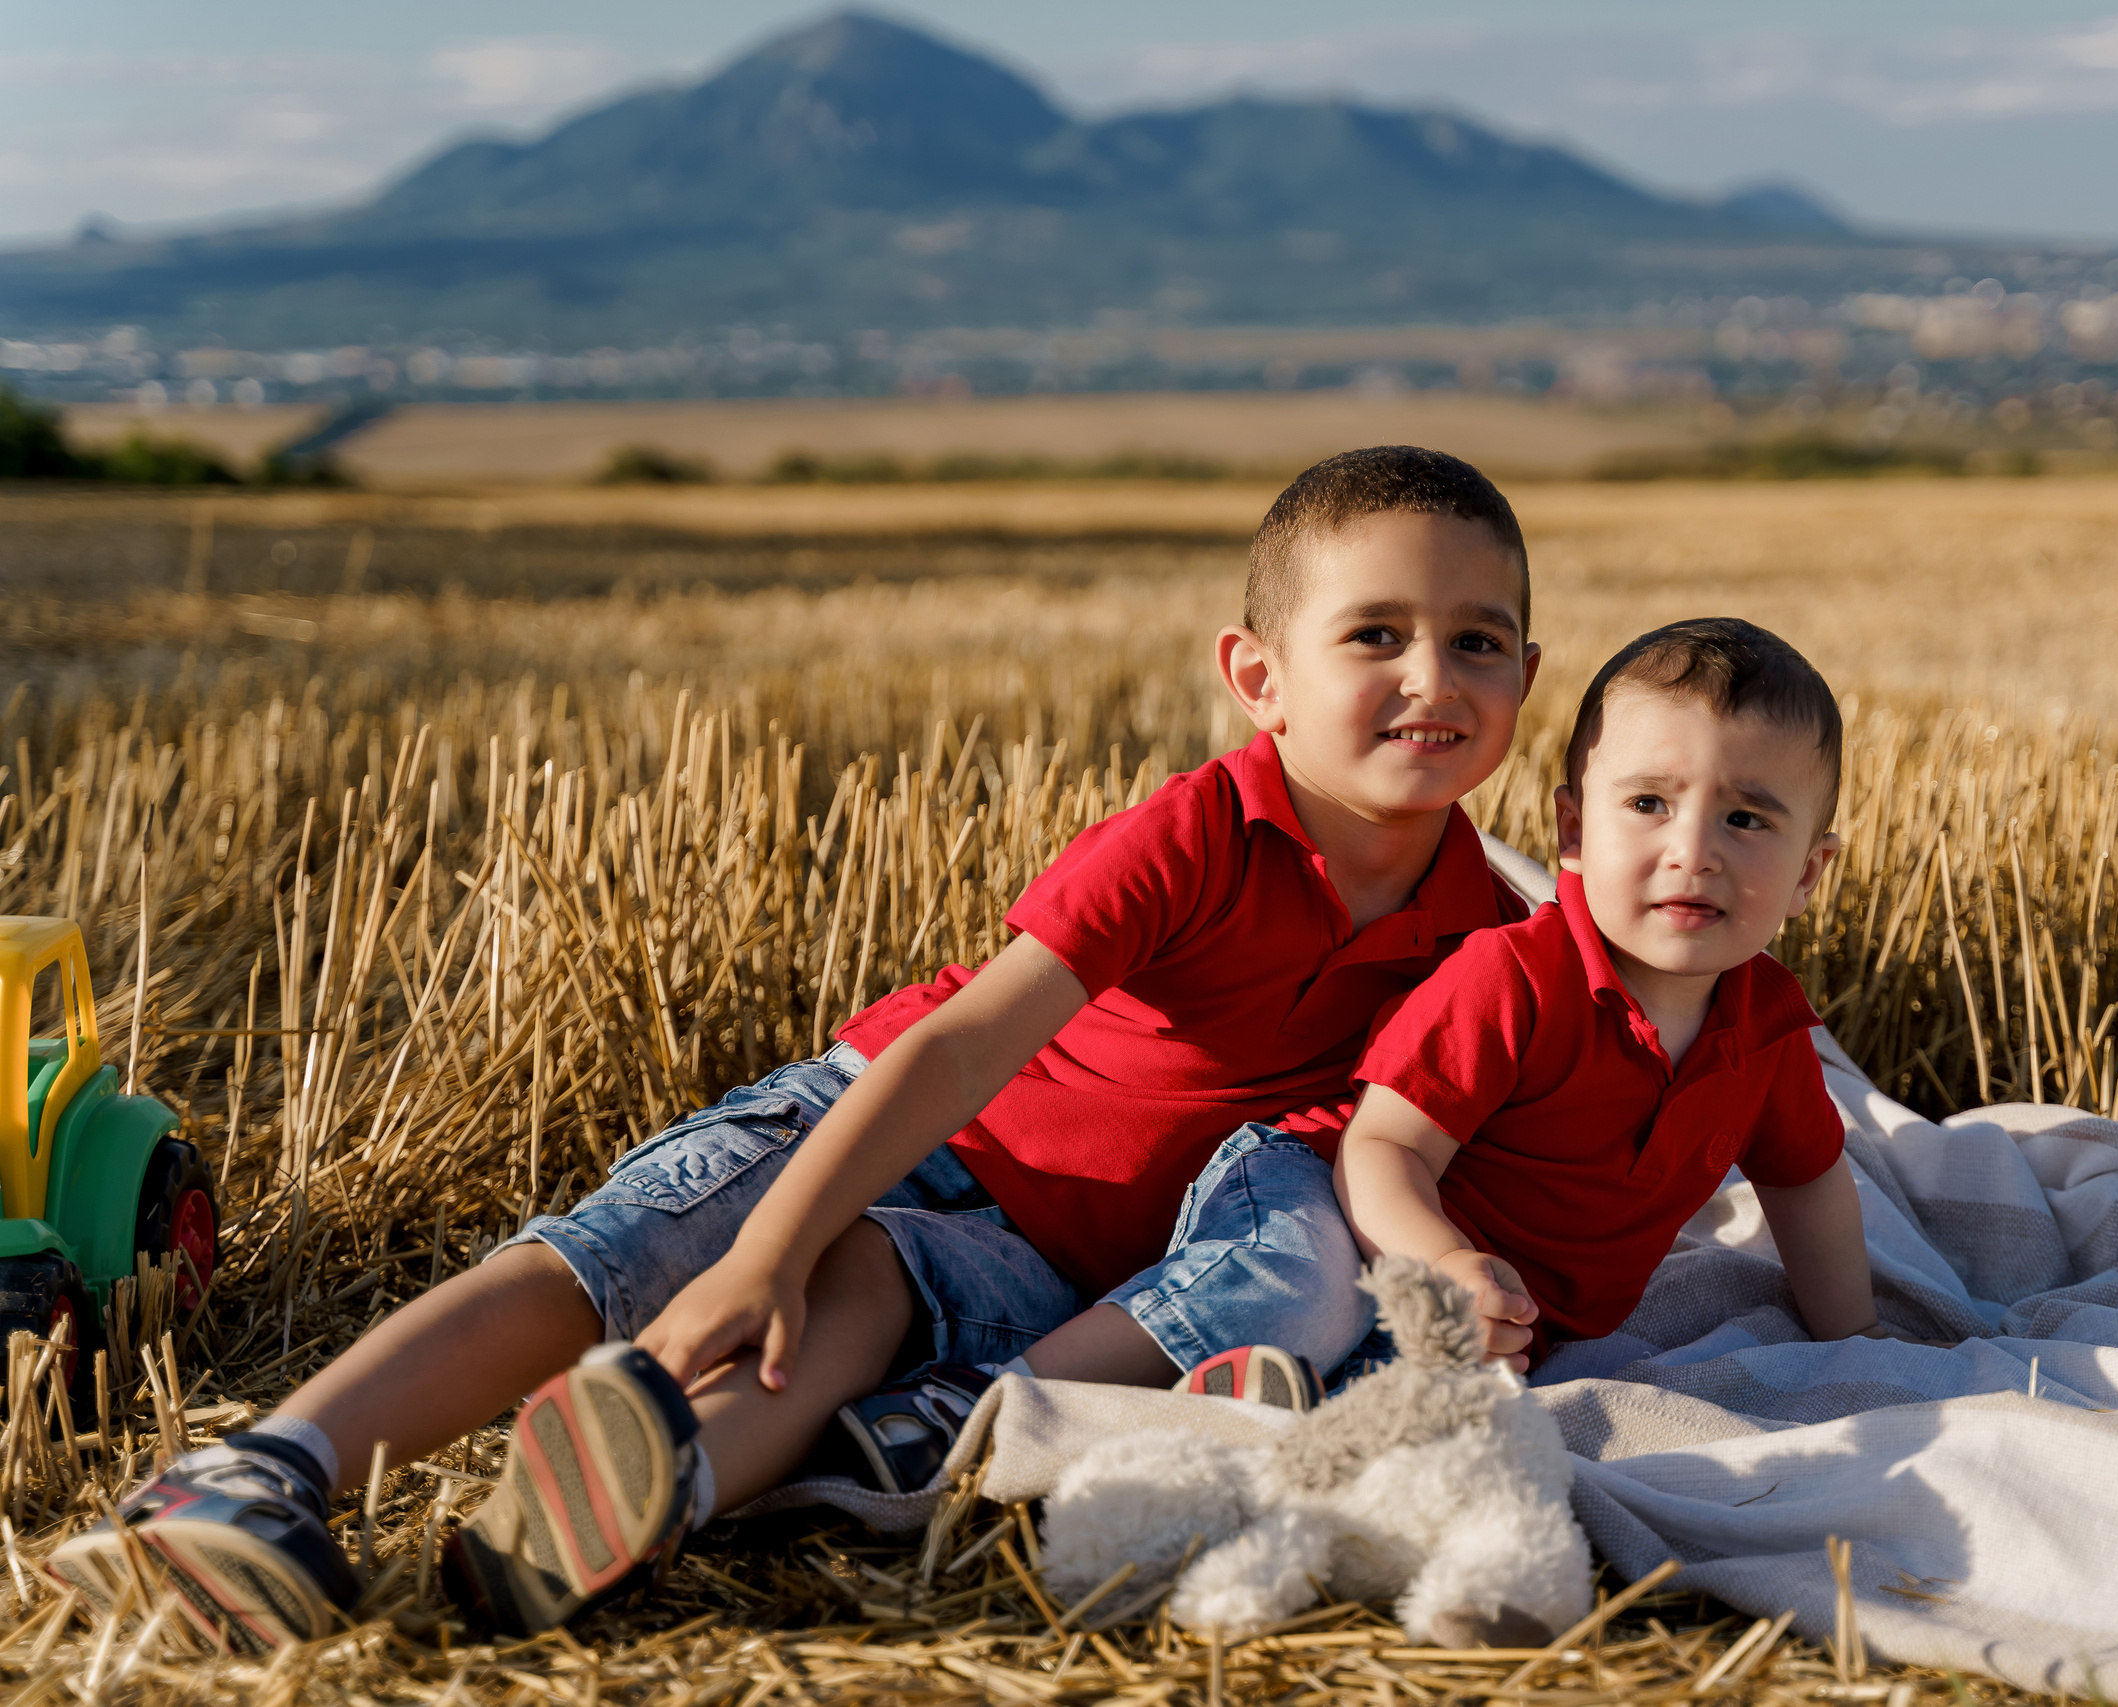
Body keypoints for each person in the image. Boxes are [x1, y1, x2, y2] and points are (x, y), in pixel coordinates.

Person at [50, 446, 1544, 1652]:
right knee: (621, 1263)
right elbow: (957, 1049)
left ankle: (632, 1494)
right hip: (888, 1123)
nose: (1434, 675)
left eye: (1477, 641)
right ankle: (264, 1471)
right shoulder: (1198, 833)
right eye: (1377, 634)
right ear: (1257, 671)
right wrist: (771, 1235)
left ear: (1527, 681)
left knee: (825, 1334)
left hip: (1036, 1254)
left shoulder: (1484, 927)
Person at [1336, 617, 1905, 1374]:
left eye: (1744, 819)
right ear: (1573, 830)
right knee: (1293, 1296)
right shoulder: (1516, 979)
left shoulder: (1766, 1030)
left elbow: (1807, 1182)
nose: (1693, 853)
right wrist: (1441, 1263)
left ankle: (1273, 1394)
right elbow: (1381, 1146)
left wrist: (1855, 1338)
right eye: (1648, 805)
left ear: (1807, 873)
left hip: (1498, 1323)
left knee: (1428, 1400)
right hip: (1343, 1223)